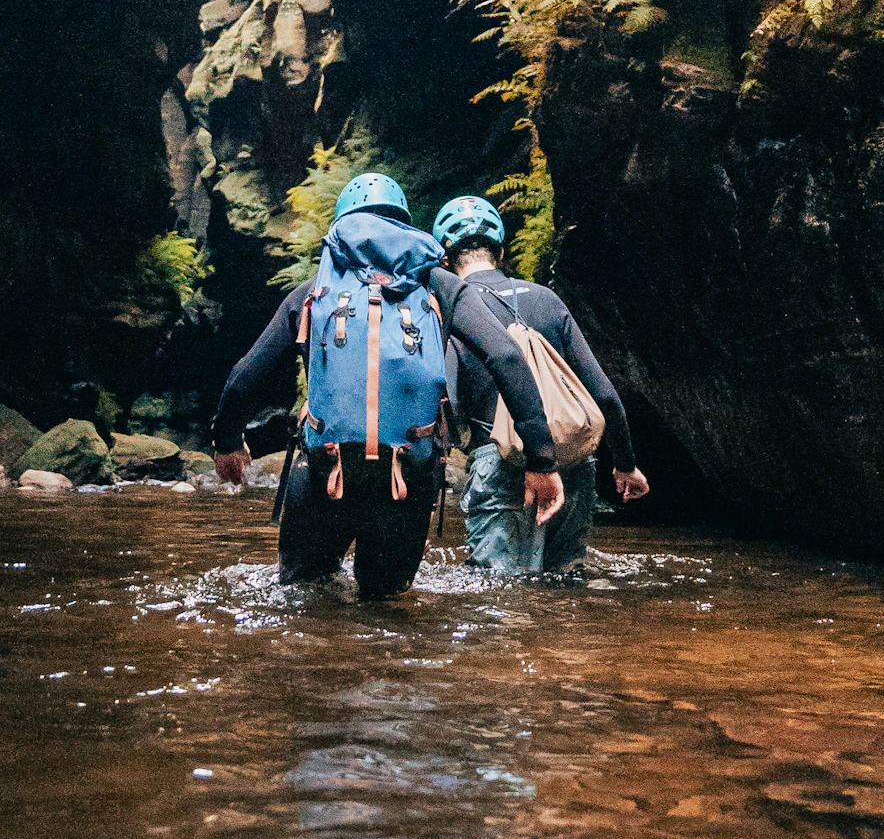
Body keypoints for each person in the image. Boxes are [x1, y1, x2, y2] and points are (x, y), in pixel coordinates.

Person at [212, 173, 564, 599]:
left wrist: (228, 441)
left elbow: (246, 374)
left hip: (325, 471)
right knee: (387, 609)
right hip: (408, 479)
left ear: (341, 220)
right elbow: (507, 357)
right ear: (405, 221)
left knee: (301, 601)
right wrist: (542, 461)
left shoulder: (315, 290)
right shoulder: (440, 285)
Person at [431, 194, 649, 581]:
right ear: (499, 251)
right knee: (565, 586)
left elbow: (446, 400)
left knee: (499, 596)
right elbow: (604, 396)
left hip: (500, 465)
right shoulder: (547, 301)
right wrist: (626, 464)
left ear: (445, 260)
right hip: (572, 468)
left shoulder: (453, 309)